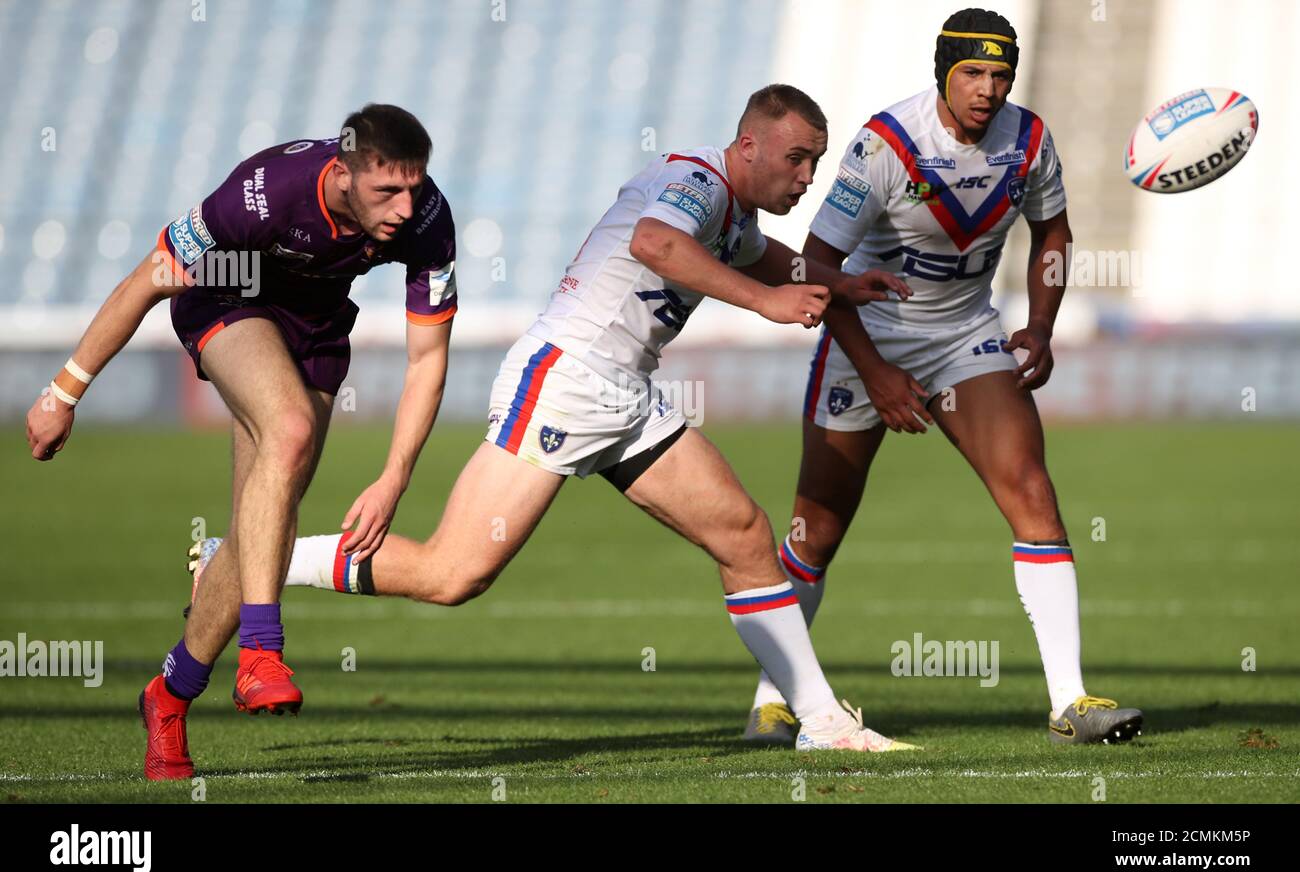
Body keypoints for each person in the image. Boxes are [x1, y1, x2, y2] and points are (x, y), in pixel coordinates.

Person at [196, 84, 921, 755]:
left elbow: (768, 260)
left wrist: (839, 282)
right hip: (567, 380)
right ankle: (255, 560)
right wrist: (764, 305)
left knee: (743, 532)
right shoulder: (694, 182)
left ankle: (819, 718)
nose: (805, 177)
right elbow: (656, 244)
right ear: (749, 147)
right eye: (796, 159)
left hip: (624, 392)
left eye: (815, 163)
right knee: (453, 574)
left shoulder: (734, 211)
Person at [745, 9, 1143, 746]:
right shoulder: (886, 144)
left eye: (1001, 74)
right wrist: (878, 373)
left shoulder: (1028, 141)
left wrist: (1042, 326)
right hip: (865, 336)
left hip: (964, 335)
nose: (989, 90)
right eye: (973, 73)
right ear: (944, 73)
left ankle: (1071, 701)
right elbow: (816, 264)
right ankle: (775, 697)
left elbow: (1054, 233)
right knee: (817, 531)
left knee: (1032, 491)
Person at [25, 104, 459, 779]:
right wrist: (64, 392)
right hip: (229, 302)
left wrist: (395, 475)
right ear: (342, 173)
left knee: (260, 523)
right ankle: (261, 652)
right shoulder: (263, 192)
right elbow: (146, 281)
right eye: (387, 192)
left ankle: (167, 697)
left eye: (414, 187)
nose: (407, 206)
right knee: (288, 429)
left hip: (316, 334)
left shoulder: (427, 217)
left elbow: (428, 358)